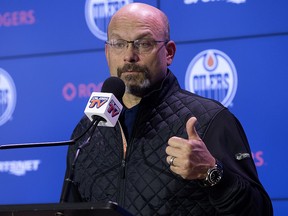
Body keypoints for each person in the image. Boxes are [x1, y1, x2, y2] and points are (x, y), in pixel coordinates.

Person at [61, 2, 273, 215]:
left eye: (143, 44)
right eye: (118, 44)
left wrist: (211, 171)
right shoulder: (87, 131)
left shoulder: (209, 120)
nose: (129, 56)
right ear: (107, 52)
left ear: (169, 53)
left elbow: (260, 211)